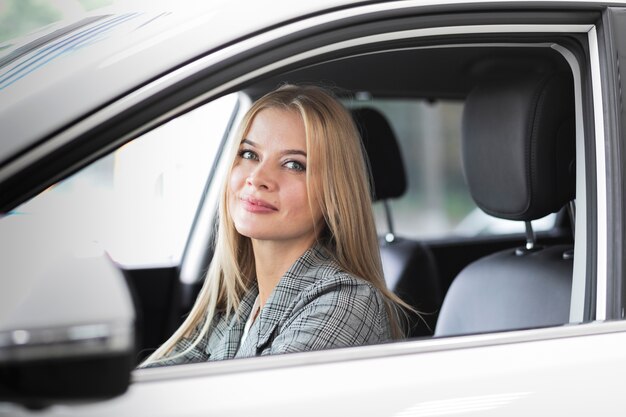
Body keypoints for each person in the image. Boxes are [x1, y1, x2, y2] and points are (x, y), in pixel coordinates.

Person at [141, 84, 412, 367]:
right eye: (249, 155)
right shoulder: (242, 301)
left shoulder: (346, 303)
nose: (258, 177)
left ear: (334, 193)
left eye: (293, 164)